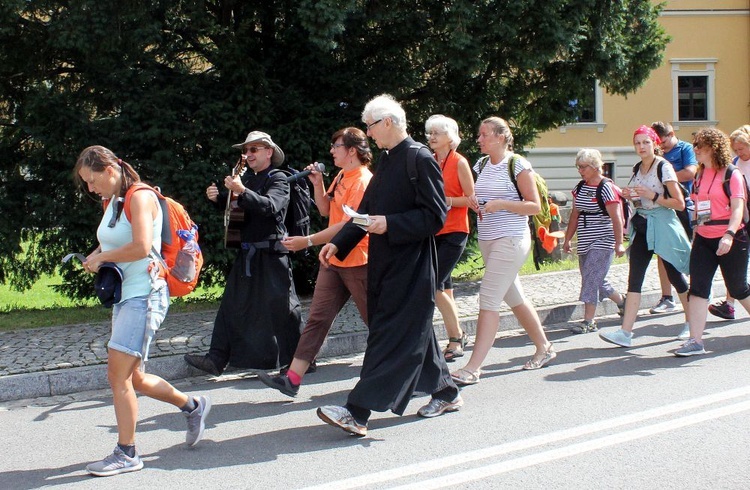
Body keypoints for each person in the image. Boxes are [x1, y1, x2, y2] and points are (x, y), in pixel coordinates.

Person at [316, 94, 463, 437]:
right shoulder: (388, 159)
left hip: (412, 265)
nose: (367, 133)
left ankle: (358, 412)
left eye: (369, 125)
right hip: (387, 263)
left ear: (387, 122)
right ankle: (445, 391)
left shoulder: (419, 158)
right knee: (412, 332)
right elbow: (364, 214)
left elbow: (435, 216)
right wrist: (338, 243)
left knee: (389, 336)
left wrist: (391, 224)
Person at [74, 146, 211, 477]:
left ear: (109, 170)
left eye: (92, 181)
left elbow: (139, 246)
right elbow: (111, 242)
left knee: (117, 375)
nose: (91, 190)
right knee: (134, 377)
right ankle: (193, 407)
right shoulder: (114, 202)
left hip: (145, 296)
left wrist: (103, 259)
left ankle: (127, 453)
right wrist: (95, 255)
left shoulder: (140, 197)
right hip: (127, 296)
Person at [258, 127, 373, 396]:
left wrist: (307, 241)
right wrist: (318, 182)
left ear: (352, 150)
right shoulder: (343, 175)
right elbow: (326, 210)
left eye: (336, 146)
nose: (331, 151)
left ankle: (405, 372)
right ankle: (293, 378)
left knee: (376, 321)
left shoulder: (363, 181)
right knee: (317, 319)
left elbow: (348, 225)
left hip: (358, 259)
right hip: (333, 260)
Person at [450, 116, 556, 386]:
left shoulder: (517, 164)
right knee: (515, 297)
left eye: (484, 134)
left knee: (488, 300)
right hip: (488, 239)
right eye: (479, 134)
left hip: (511, 239)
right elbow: (476, 196)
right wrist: (475, 201)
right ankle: (544, 347)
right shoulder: (482, 164)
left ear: (500, 137)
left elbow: (533, 206)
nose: (479, 139)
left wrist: (501, 204)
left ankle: (473, 367)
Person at [184, 131, 302, 375]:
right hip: (248, 254)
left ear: (269, 152)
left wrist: (241, 190)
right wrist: (219, 199)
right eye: (246, 151)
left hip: (271, 254)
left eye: (254, 150)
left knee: (284, 309)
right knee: (230, 306)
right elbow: (239, 211)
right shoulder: (247, 180)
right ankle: (216, 359)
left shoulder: (278, 178)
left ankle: (300, 361)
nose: (248, 155)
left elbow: (270, 206)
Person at [599, 126, 691, 348]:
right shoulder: (637, 168)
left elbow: (678, 203)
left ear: (655, 144)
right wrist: (630, 195)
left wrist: (652, 195)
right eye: (637, 143)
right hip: (642, 225)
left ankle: (692, 321)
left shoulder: (664, 167)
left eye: (645, 142)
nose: (641, 147)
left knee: (674, 275)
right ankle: (625, 332)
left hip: (662, 224)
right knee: (635, 277)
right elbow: (639, 197)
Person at [675, 128, 750, 356]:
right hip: (704, 238)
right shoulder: (699, 174)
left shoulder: (731, 173)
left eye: (700, 146)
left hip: (732, 237)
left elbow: (738, 209)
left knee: (737, 288)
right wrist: (696, 232)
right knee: (697, 289)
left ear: (713, 148)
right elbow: (699, 207)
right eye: (695, 145)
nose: (695, 149)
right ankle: (695, 341)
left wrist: (729, 234)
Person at [424, 114, 474, 361]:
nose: (432, 137)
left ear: (449, 137)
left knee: (433, 284)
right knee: (444, 287)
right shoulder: (430, 160)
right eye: (430, 133)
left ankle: (456, 338)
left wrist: (448, 201)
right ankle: (456, 336)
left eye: (437, 133)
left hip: (455, 231)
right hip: (433, 232)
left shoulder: (459, 162)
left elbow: (473, 201)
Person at [562, 149, 626, 334]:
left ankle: (589, 321)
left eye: (583, 167)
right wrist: (567, 239)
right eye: (578, 167)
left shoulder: (606, 188)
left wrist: (619, 243)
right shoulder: (580, 187)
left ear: (595, 167)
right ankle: (623, 302)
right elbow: (574, 215)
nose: (580, 171)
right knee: (596, 279)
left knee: (591, 278)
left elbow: (617, 218)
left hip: (603, 239)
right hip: (585, 239)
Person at [648, 122, 698, 315]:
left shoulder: (685, 148)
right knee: (662, 251)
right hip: (662, 206)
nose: (663, 147)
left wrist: (665, 177)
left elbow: (690, 172)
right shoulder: (657, 152)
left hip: (684, 205)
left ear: (671, 134)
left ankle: (696, 291)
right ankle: (667, 297)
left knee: (690, 248)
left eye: (664, 142)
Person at [707, 124, 750, 321]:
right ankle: (729, 305)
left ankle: (732, 303)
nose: (739, 152)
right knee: (733, 265)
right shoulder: (734, 164)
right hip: (740, 218)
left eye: (742, 148)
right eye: (736, 149)